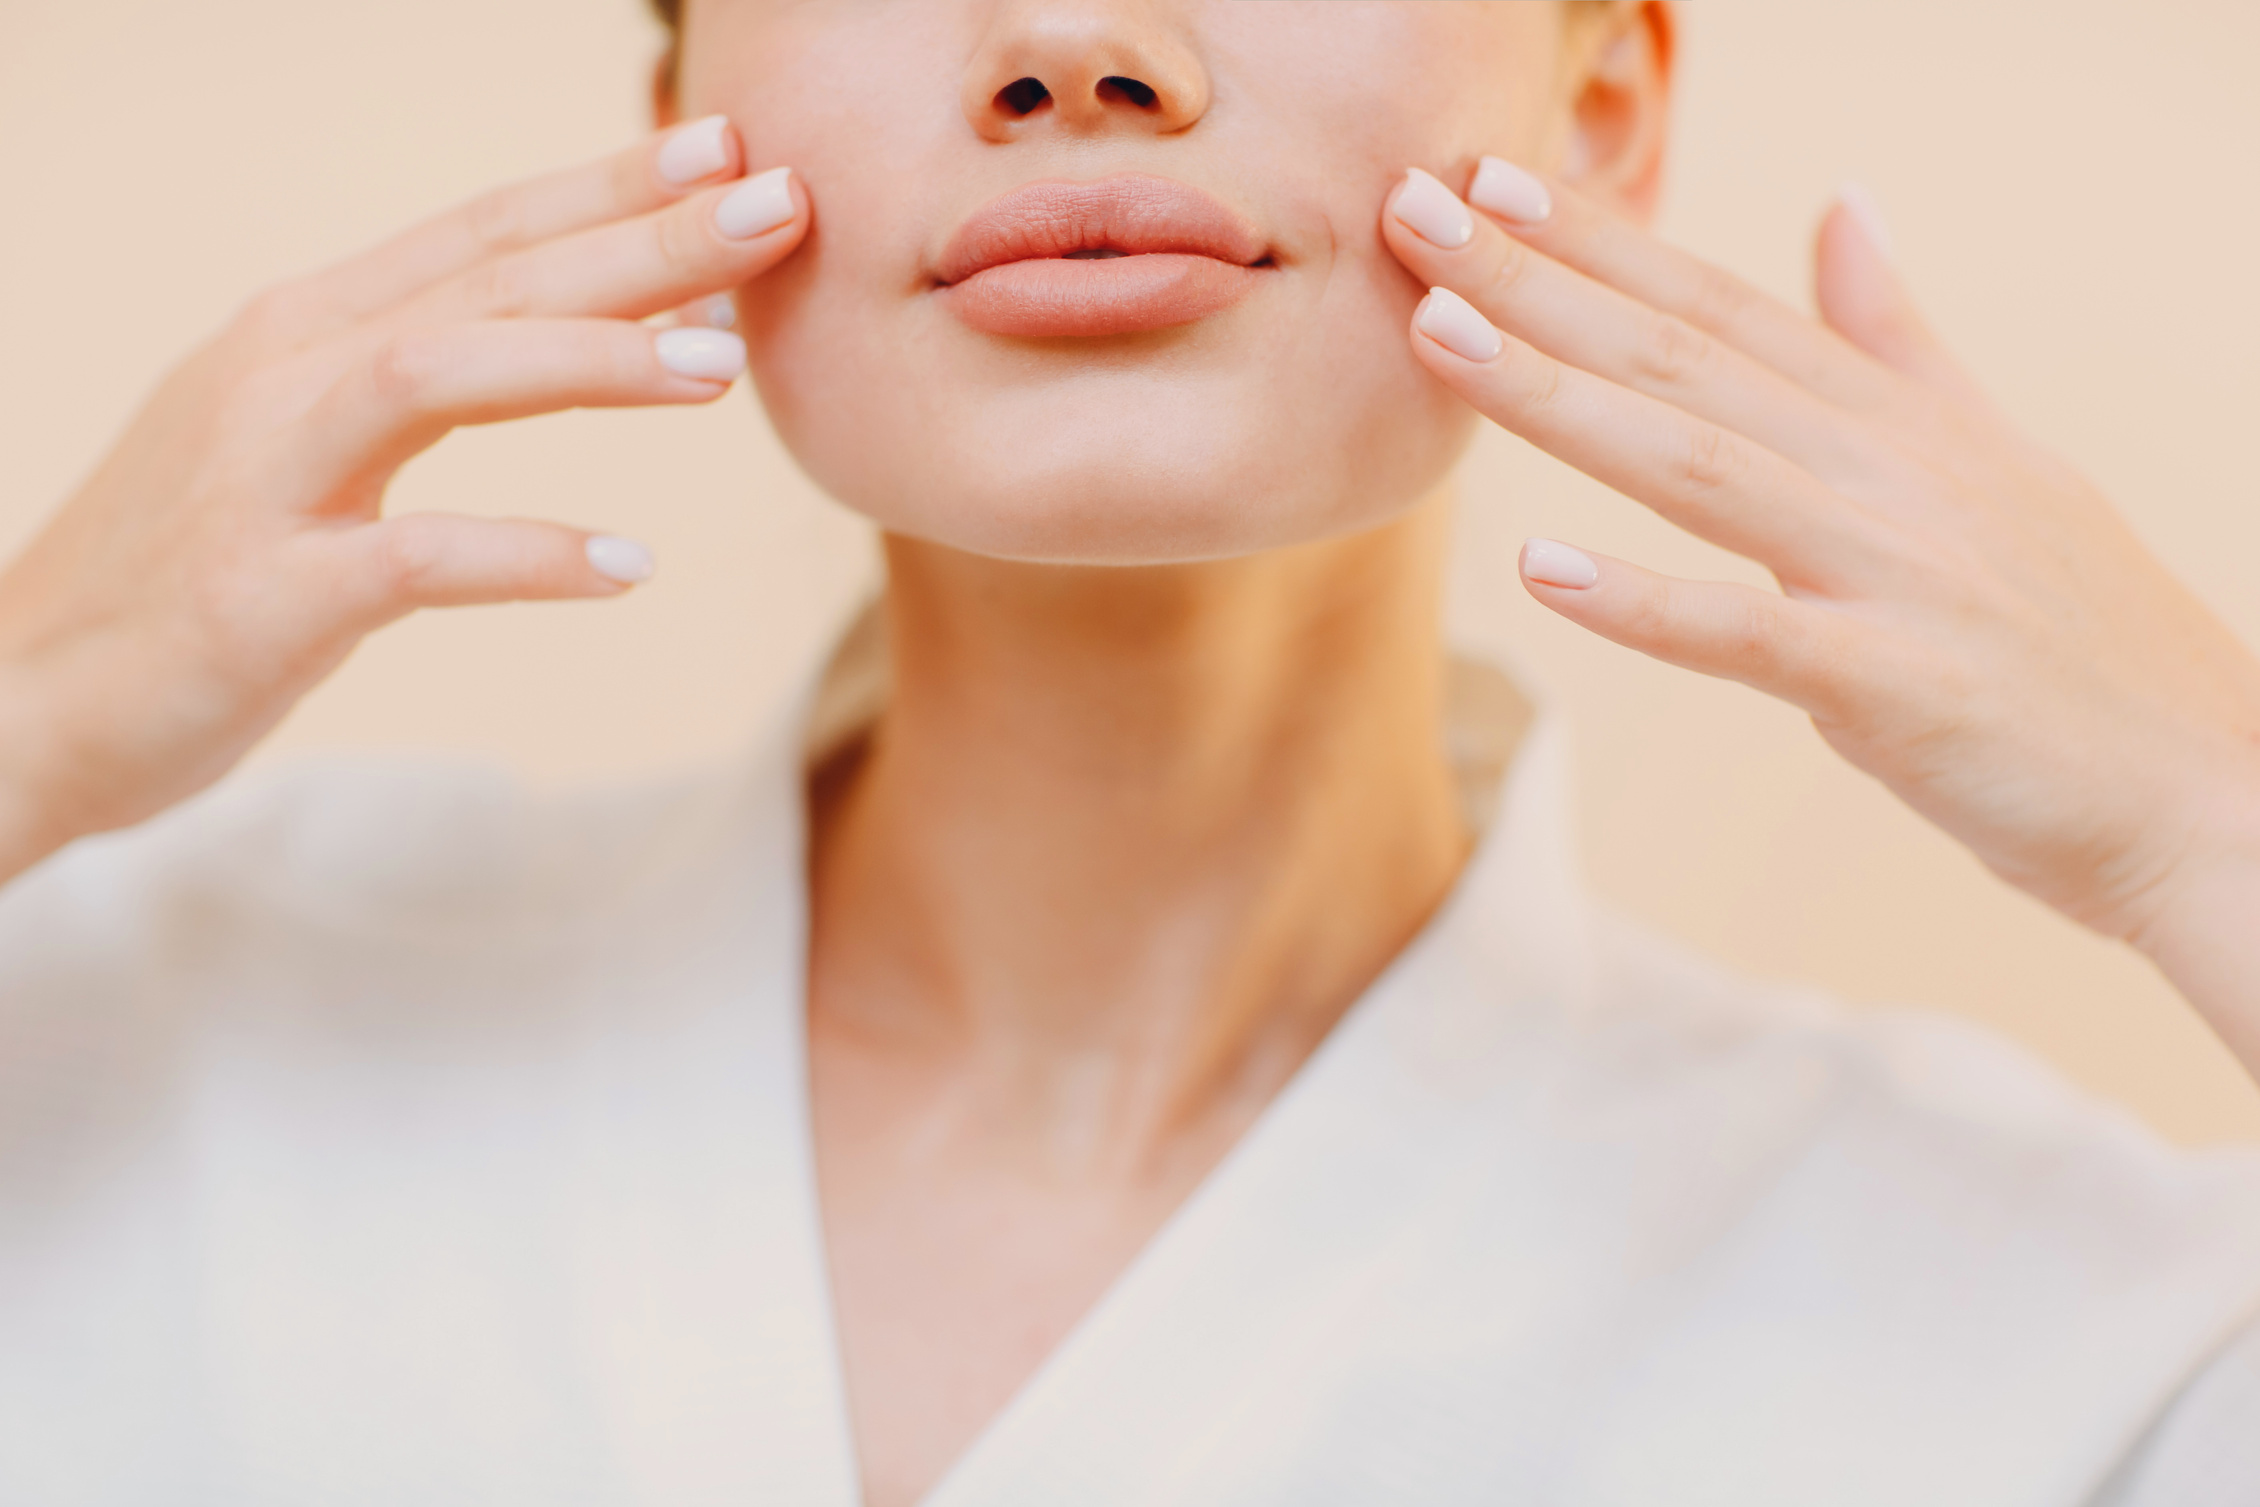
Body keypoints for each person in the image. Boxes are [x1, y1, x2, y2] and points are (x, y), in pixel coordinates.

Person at [3, 1, 2257, 1501]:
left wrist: (2204, 795)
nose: (1078, 45)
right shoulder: (126, 1020)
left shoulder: (2070, 1329)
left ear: (1602, 108)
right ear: (686, 98)